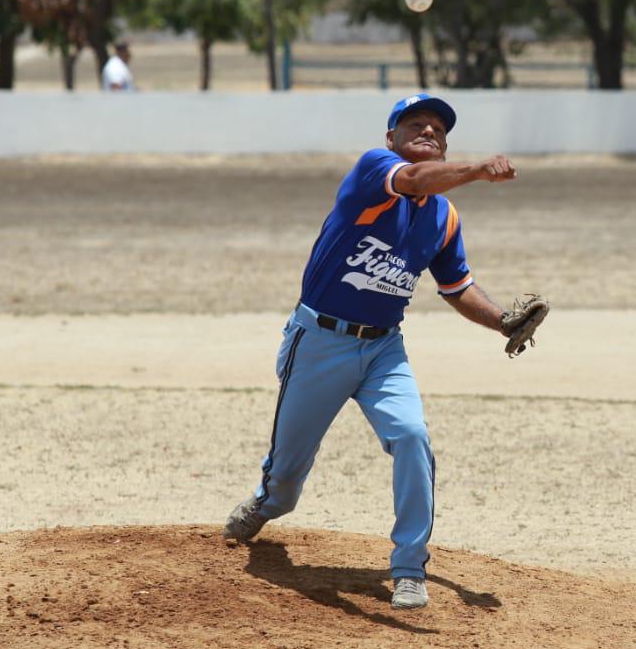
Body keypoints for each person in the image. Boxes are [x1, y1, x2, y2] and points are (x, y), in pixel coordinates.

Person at [223, 93, 536, 611]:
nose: (429, 131)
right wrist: (478, 170)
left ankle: (409, 567)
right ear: (391, 138)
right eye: (416, 124)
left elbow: (457, 287)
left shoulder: (443, 217)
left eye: (439, 129)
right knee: (287, 480)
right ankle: (267, 501)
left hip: (384, 348)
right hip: (319, 342)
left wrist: (502, 320)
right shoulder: (375, 171)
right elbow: (413, 180)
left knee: (412, 436)